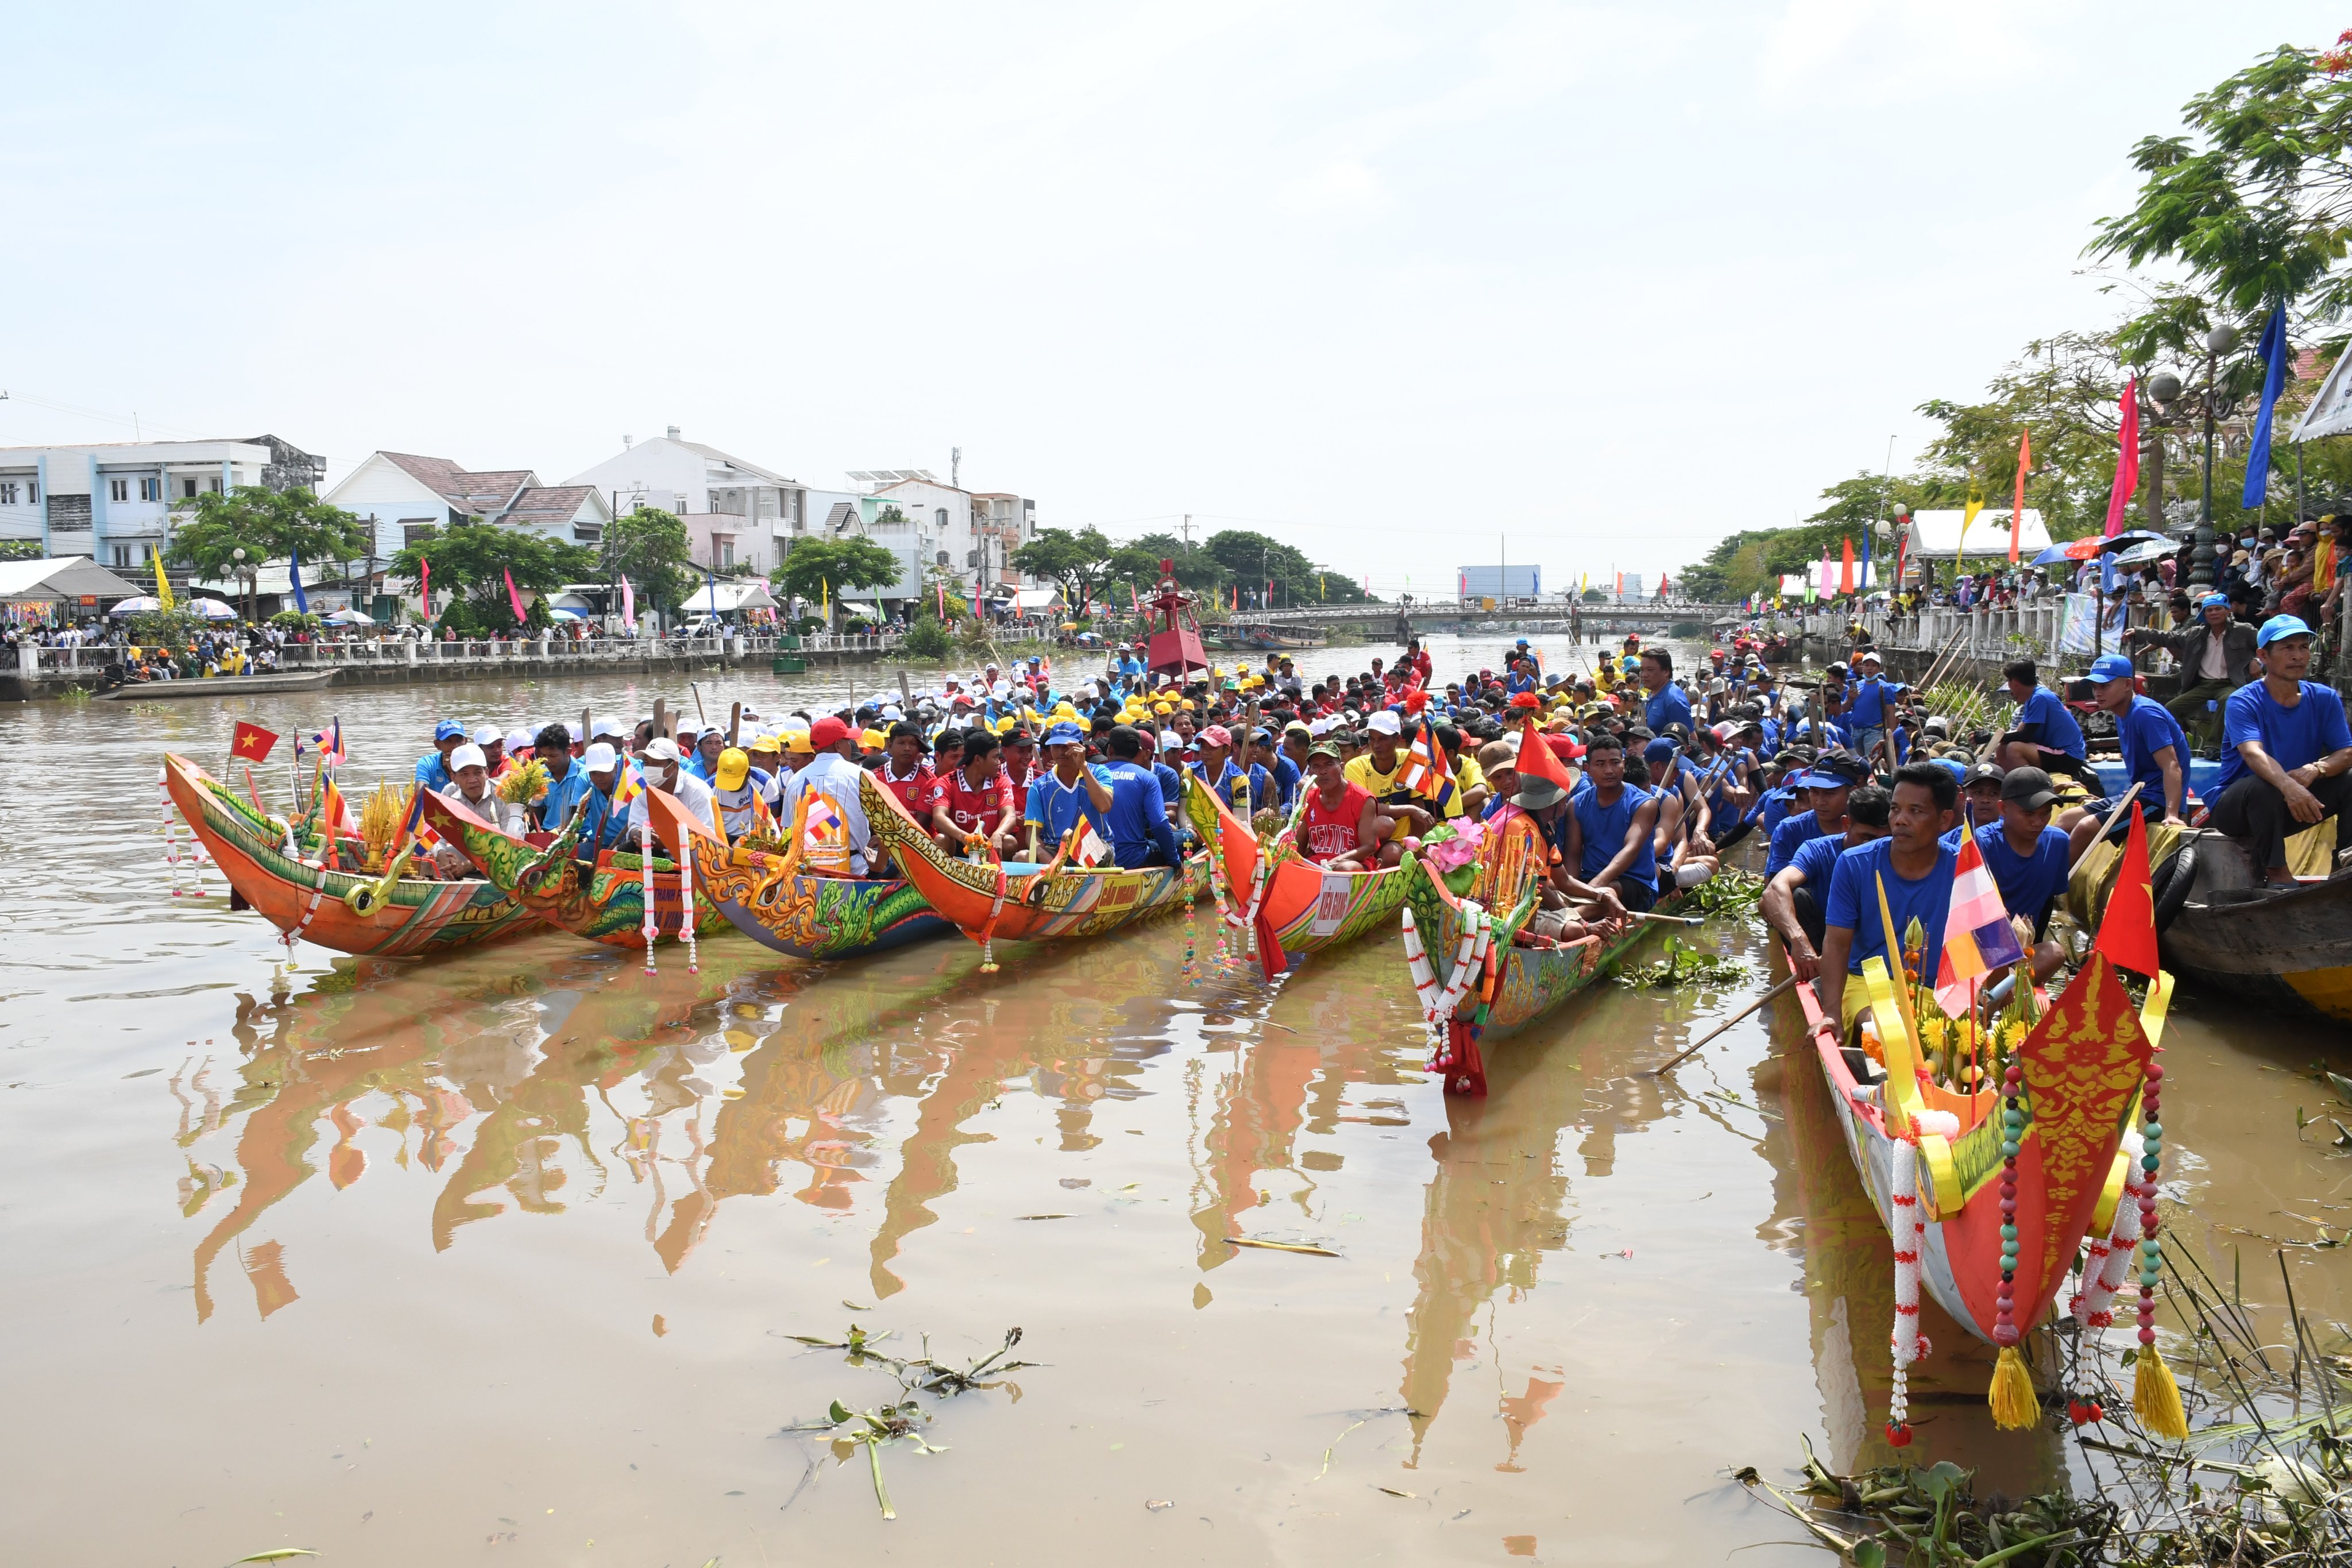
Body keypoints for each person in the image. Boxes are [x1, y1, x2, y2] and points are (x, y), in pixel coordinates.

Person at [2205, 615, 2352, 888]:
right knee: (2265, 785)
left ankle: (2345, 863)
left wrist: (2316, 769)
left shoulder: (2324, 698)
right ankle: (2277, 873)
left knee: (2350, 779)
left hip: (2292, 804)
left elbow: (2346, 753)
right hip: (2240, 809)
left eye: (2303, 647)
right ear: (2264, 656)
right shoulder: (2243, 700)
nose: (2298, 656)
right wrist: (2288, 785)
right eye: (2287, 649)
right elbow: (2253, 754)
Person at [1817, 762, 1961, 1033]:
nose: (1900, 820)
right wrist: (1831, 1014)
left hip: (1938, 990)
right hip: (1869, 985)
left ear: (1945, 820)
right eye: (1895, 809)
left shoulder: (1965, 869)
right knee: (1889, 1030)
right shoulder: (1853, 863)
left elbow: (1985, 947)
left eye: (1915, 811)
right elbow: (1836, 944)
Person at [2059, 653, 2191, 862]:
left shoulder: (2145, 713)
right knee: (2065, 820)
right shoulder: (2122, 713)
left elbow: (2172, 765)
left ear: (2128, 684)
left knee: (2085, 828)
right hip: (2136, 794)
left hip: (2157, 800)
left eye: (2105, 686)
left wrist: (2172, 814)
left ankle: (2050, 890)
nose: (2098, 693)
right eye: (2095, 687)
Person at [1762, 783, 1893, 979]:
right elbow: (1772, 892)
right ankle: (1815, 971)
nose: (1876, 848)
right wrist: (1800, 941)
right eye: (1867, 838)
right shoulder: (1818, 849)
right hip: (1832, 942)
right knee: (1794, 898)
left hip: (1881, 942)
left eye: (1887, 839)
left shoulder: (1902, 853)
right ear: (1847, 824)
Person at [2129, 593, 2258, 754]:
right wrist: (2138, 631)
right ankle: (2179, 745)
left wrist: (2257, 662)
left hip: (2229, 683)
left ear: (2227, 611)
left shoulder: (2244, 631)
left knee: (2229, 700)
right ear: (2204, 614)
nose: (2214, 613)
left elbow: (2266, 646)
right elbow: (2168, 637)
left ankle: (2214, 747)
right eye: (2209, 610)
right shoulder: (2195, 634)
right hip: (2203, 684)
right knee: (2171, 708)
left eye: (2218, 609)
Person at [1562, 732, 1660, 912]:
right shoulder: (1576, 804)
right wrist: (1570, 893)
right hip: (1590, 880)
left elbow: (1630, 849)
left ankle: (1565, 921)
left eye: (1615, 763)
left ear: (1623, 764)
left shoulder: (1645, 803)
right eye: (1600, 764)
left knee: (1606, 892)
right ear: (1588, 768)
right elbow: (1573, 856)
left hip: (1634, 884)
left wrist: (1594, 888)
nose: (1609, 770)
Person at [778, 717, 874, 875]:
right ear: (838, 745)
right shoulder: (863, 775)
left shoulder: (795, 780)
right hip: (855, 870)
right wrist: (880, 864)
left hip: (808, 872)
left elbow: (788, 831)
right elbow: (886, 828)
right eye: (847, 741)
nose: (851, 746)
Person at [1764, 752, 1868, 878]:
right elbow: (1774, 886)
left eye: (1829, 793)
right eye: (1814, 791)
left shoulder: (1869, 829)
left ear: (1852, 793)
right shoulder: (1789, 829)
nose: (1819, 802)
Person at [1096, 726, 1184, 870]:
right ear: (1138, 752)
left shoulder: (1091, 775)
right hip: (1133, 859)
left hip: (1096, 860)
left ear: (1110, 750)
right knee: (1188, 836)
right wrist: (1174, 861)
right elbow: (1160, 824)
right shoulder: (1147, 777)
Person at [1293, 740, 1387, 868]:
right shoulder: (1308, 799)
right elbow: (1300, 841)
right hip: (1317, 863)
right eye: (1316, 766)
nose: (1323, 771)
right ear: (1310, 772)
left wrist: (1334, 863)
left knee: (1345, 868)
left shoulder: (1363, 799)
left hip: (1356, 863)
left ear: (1342, 768)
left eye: (1329, 764)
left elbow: (1369, 846)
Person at [931, 730, 1021, 858]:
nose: (999, 763)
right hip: (960, 843)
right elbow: (939, 817)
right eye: (995, 757)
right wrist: (965, 837)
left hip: (988, 844)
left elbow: (1010, 815)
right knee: (941, 839)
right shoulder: (947, 782)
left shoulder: (1001, 781)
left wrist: (998, 835)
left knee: (1009, 842)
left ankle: (999, 876)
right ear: (978, 759)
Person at [1996, 658, 2088, 779]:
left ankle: (2034, 788)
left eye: (2008, 681)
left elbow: (2025, 736)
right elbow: (2019, 732)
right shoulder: (2032, 698)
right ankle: (2012, 784)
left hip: (2069, 757)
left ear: (2015, 682)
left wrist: (1993, 736)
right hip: (2055, 753)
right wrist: (1993, 738)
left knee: (2014, 748)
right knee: (2001, 749)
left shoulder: (2040, 697)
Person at [627, 737, 719, 846]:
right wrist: (640, 834)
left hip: (691, 856)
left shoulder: (697, 791)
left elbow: (706, 839)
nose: (650, 768)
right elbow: (634, 826)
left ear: (674, 766)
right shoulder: (643, 788)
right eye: (647, 763)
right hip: (653, 851)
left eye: (656, 764)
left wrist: (669, 842)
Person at [532, 723, 590, 832]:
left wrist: (555, 834)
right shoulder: (540, 774)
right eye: (544, 756)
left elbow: (576, 816)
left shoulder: (583, 774)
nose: (547, 761)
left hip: (576, 834)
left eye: (553, 756)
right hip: (547, 831)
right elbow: (536, 810)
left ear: (568, 752)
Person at [1637, 648, 1691, 736]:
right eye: (1642, 670)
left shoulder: (1673, 700)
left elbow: (1690, 739)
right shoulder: (1652, 693)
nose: (1644, 675)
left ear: (1666, 672)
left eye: (1650, 670)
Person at [415, 719, 466, 793]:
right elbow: (420, 795)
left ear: (466, 741)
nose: (455, 746)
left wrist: (455, 772)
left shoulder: (475, 761)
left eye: (459, 740)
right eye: (448, 741)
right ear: (437, 745)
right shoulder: (427, 763)